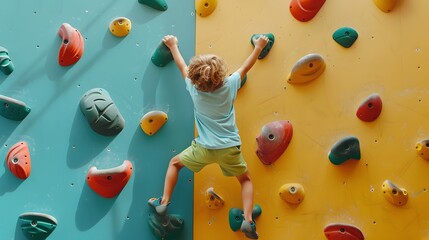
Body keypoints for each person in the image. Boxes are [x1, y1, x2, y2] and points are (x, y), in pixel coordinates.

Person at [148, 34, 269, 239]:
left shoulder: (194, 90)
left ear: (195, 78)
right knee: (245, 180)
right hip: (229, 149)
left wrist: (173, 45)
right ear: (221, 74)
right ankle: (248, 220)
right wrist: (258, 47)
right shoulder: (230, 85)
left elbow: (181, 65)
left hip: (203, 148)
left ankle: (163, 202)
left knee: (175, 164)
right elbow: (246, 67)